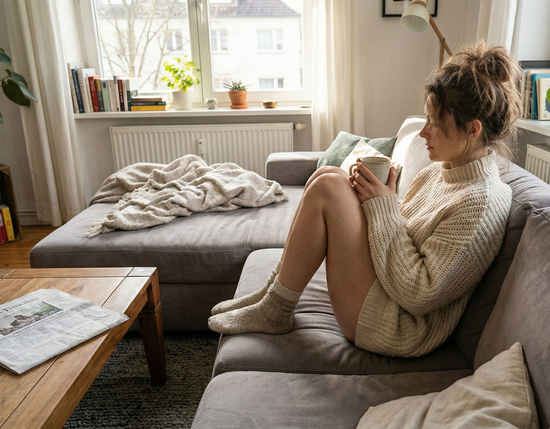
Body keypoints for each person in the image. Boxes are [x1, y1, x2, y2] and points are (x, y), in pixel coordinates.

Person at [208, 42, 522, 358]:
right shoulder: (441, 172)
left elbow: (419, 294)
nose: (423, 133)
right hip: (385, 288)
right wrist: (372, 198)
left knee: (329, 187)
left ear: (472, 129)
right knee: (328, 175)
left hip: (397, 325)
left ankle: (276, 307)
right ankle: (273, 296)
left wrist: (382, 206)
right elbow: (404, 233)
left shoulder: (480, 204)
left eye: (435, 124)